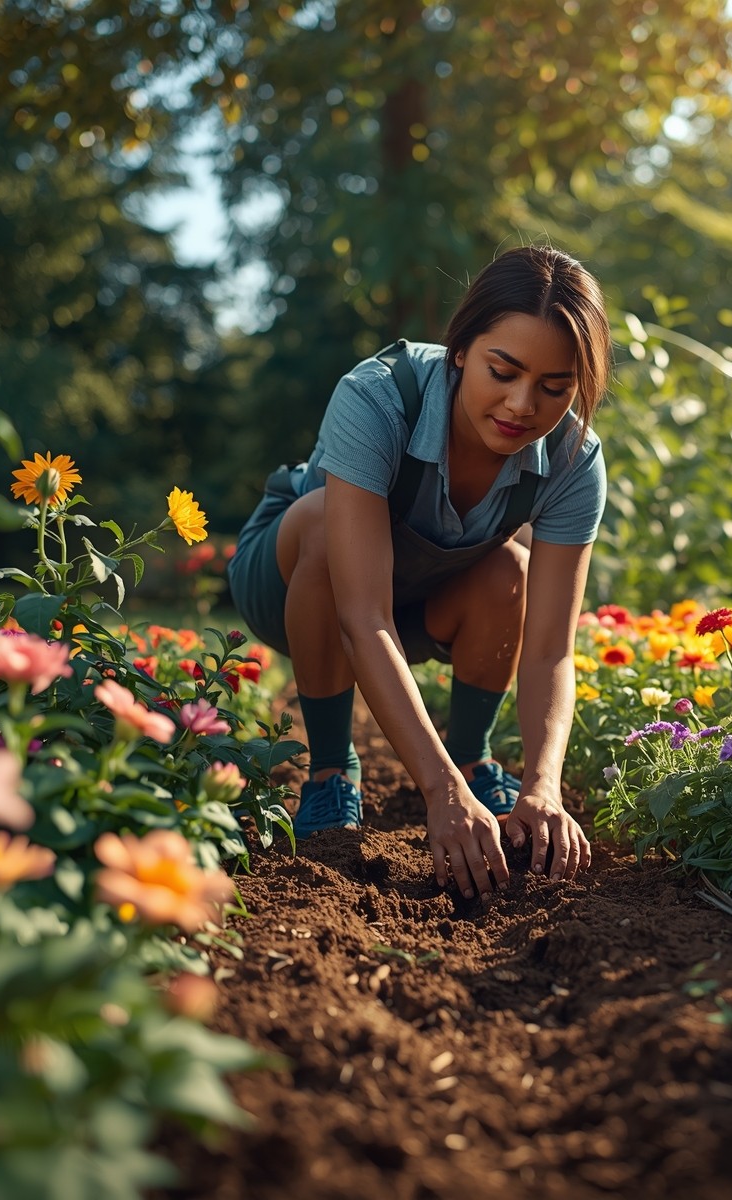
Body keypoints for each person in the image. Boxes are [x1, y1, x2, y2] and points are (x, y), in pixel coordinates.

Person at [228, 245, 612, 901]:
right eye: (504, 371)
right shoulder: (378, 396)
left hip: (425, 593)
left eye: (555, 387)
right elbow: (363, 615)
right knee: (322, 522)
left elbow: (550, 648)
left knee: (509, 569)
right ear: (461, 349)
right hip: (299, 584)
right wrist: (438, 796)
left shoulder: (574, 460)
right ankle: (328, 774)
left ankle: (471, 756)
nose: (523, 405)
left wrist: (542, 785)